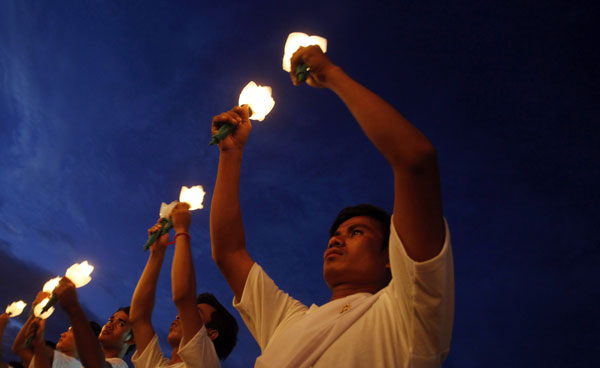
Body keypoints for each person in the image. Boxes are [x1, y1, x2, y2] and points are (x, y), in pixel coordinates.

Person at [209, 45, 454, 367]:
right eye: (336, 233)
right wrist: (230, 153)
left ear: (391, 259)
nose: (336, 239)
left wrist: (332, 75)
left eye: (356, 232)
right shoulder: (288, 322)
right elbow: (229, 253)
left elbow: (416, 161)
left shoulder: (407, 315)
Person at [129, 203, 238, 368]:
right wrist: (156, 255)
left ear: (211, 334)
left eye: (196, 313)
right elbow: (138, 319)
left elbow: (183, 297)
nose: (180, 315)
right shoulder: (156, 364)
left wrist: (181, 231)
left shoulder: (206, 362)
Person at [53, 278, 135, 368]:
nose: (110, 325)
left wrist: (73, 308)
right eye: (110, 320)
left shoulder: (119, 365)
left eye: (121, 324)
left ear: (131, 339)